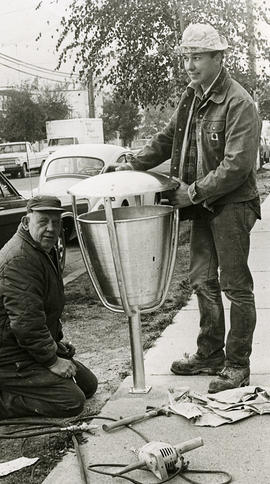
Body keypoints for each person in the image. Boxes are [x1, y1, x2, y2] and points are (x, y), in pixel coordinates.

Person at [111, 23, 261, 393]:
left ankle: (238, 363)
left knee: (235, 285)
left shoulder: (239, 103)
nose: (190, 66)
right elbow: (167, 139)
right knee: (201, 280)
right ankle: (210, 353)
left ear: (218, 58)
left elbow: (237, 166)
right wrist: (133, 163)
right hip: (202, 205)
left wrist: (191, 193)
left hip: (232, 205)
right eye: (186, 58)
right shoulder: (192, 96)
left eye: (197, 57)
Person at [0, 195, 97, 418]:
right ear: (26, 222)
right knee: (71, 402)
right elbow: (26, 323)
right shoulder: (19, 259)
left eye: (56, 222)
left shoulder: (40, 248)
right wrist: (52, 360)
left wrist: (56, 341)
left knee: (88, 385)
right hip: (8, 355)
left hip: (22, 346)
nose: (51, 229)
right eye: (43, 221)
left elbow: (43, 308)